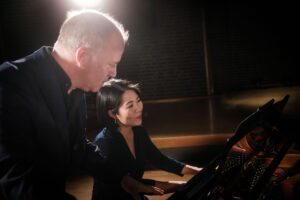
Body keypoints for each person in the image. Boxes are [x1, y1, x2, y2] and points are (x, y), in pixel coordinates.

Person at [0, 9, 163, 200]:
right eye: (110, 64)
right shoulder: (9, 85)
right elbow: (15, 183)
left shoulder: (75, 86)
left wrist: (122, 179)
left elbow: (77, 147)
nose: (114, 73)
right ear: (83, 57)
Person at [92, 78, 202, 200]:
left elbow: (160, 159)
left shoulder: (138, 131)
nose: (138, 108)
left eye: (138, 101)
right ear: (113, 114)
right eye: (130, 105)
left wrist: (199, 171)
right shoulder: (105, 144)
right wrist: (182, 185)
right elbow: (128, 186)